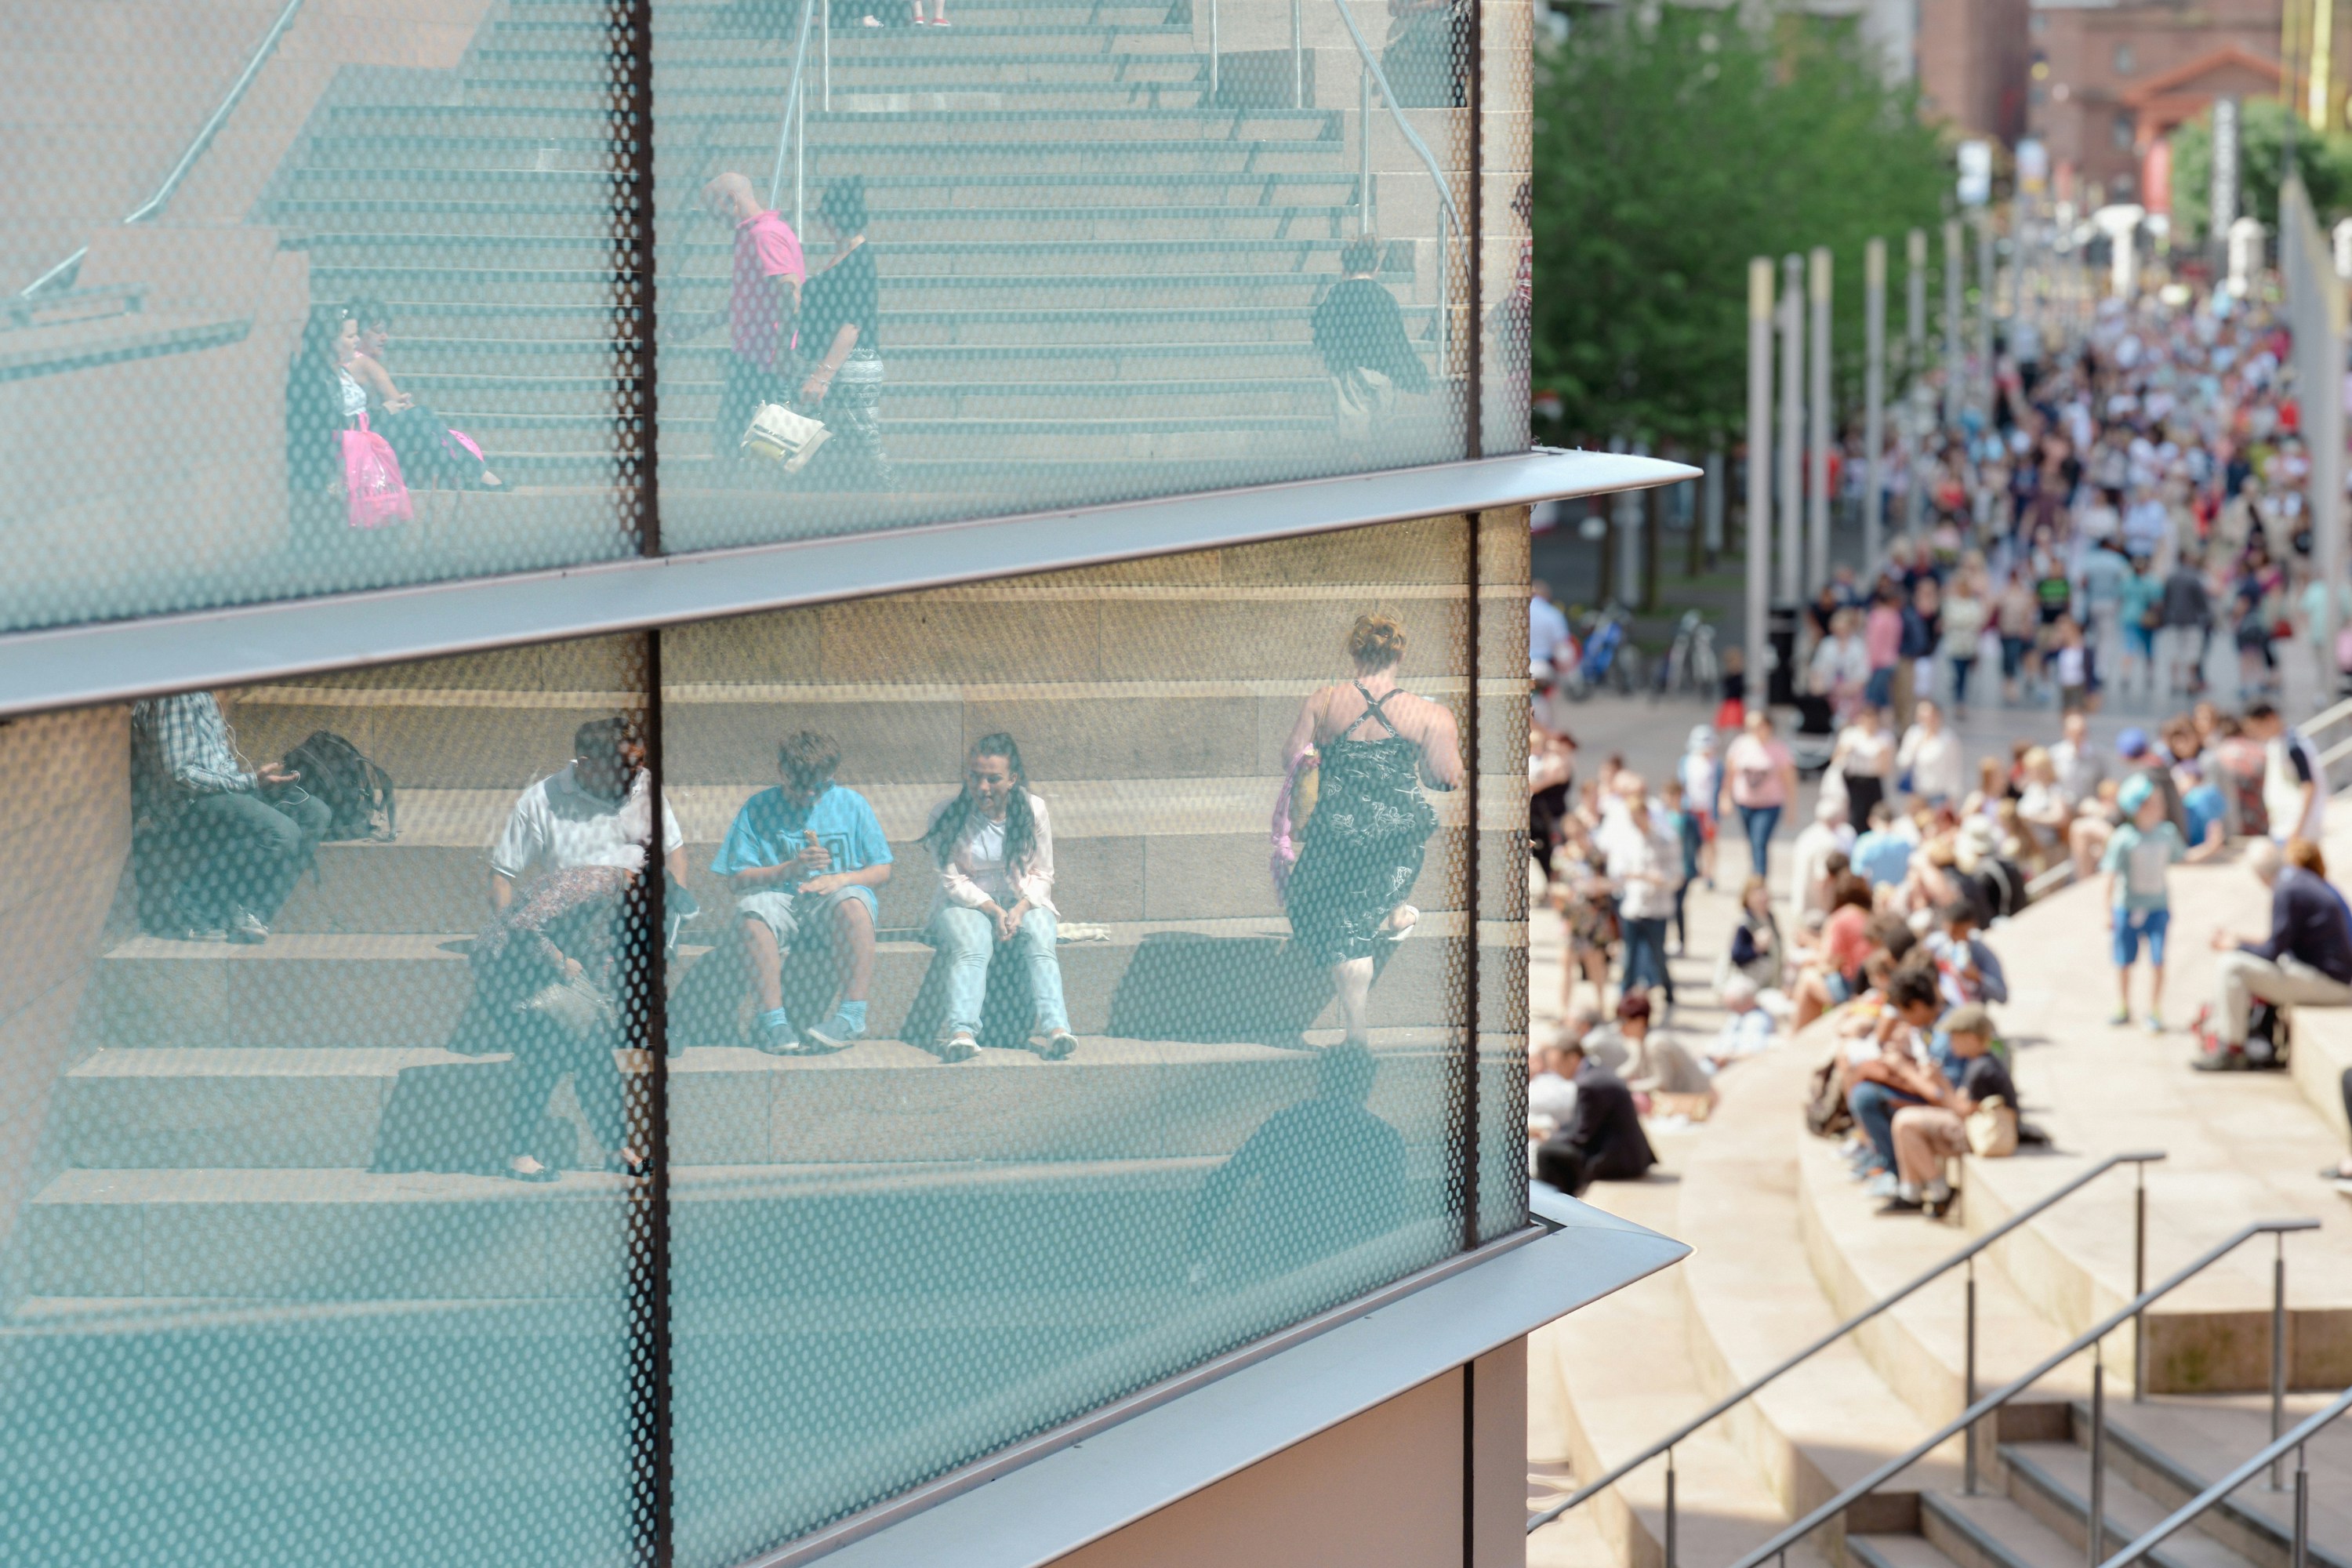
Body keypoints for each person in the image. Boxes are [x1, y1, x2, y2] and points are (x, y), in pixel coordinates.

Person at [483, 717, 684, 1182]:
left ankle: (616, 1148)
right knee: (555, 1051)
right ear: (589, 764)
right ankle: (520, 1154)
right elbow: (516, 913)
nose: (637, 776)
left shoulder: (638, 806)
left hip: (598, 958)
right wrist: (555, 963)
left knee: (590, 1051)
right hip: (552, 955)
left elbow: (673, 854)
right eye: (625, 767)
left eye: (640, 765)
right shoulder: (589, 878)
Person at [1283, 614, 1462, 1047]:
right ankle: (1358, 1038)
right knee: (1356, 924)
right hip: (1395, 839)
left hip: (1336, 834)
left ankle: (1357, 1033)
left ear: (1354, 651)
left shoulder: (1324, 701)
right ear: (1400, 654)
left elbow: (1291, 757)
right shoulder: (1428, 712)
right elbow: (1445, 778)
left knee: (1345, 922)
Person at [711, 730, 894, 1054]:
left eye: (820, 787)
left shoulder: (852, 804)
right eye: (798, 786)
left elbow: (883, 869)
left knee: (854, 903)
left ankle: (852, 1016)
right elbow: (736, 880)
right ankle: (773, 1023)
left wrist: (841, 880)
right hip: (784, 901)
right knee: (751, 913)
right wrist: (789, 869)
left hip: (836, 901)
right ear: (781, 771)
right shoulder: (758, 807)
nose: (809, 796)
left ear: (832, 775)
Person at [1184, 1042, 1406, 1286]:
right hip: (1345, 1272)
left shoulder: (1286, 1125)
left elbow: (1223, 1182)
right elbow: (1391, 1220)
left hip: (1276, 1264)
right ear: (1368, 1082)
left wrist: (1197, 1252)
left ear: (1323, 1079)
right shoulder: (1385, 1139)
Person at [129, 691, 332, 943]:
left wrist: (256, 782)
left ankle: (253, 913)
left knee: (315, 814)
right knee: (282, 833)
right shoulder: (176, 695)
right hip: (189, 807)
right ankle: (192, 899)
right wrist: (248, 782)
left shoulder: (203, 689)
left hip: (225, 792)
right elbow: (180, 773)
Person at [923, 734, 1076, 1062]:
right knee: (974, 945)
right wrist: (993, 910)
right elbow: (952, 881)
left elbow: (1044, 873)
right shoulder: (945, 814)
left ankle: (1056, 1030)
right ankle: (962, 1033)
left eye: (993, 779)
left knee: (1041, 939)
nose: (983, 787)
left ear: (1012, 779)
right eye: (975, 776)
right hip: (964, 903)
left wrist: (1021, 908)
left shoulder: (1034, 809)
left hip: (1023, 900)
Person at [2196, 837, 2352, 1070]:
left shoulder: (2286, 890)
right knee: (2242, 963)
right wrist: (2239, 940)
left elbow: (2271, 951)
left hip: (2331, 984)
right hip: (2332, 977)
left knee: (2231, 966)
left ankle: (2231, 1049)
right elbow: (2279, 942)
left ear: (2259, 874)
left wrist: (2234, 946)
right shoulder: (2297, 879)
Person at [683, 172, 804, 470]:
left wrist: (782, 353)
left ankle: (735, 493)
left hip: (761, 361)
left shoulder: (763, 236)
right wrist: (699, 327)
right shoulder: (761, 233)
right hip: (757, 357)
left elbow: (789, 291)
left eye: (713, 208)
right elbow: (749, 300)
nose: (713, 217)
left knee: (733, 441)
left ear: (730, 200)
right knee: (747, 443)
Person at [793, 177, 895, 489]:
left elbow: (852, 324)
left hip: (848, 367)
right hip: (834, 364)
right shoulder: (845, 256)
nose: (823, 224)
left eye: (825, 216)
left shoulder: (859, 260)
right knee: (837, 445)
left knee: (864, 442)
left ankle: (890, 498)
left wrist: (822, 376)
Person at [347, 297, 501, 489]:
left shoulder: (347, 362)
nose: (385, 337)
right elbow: (400, 404)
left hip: (358, 436)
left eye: (386, 331)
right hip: (361, 439)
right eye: (378, 331)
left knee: (427, 427)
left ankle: (473, 474)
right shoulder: (365, 363)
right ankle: (479, 474)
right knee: (421, 417)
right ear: (358, 333)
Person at [1880, 1003, 2019, 1217]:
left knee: (1906, 1123)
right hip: (1974, 1128)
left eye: (1955, 1036)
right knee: (1905, 1123)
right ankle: (1912, 1191)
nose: (1950, 1041)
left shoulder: (1983, 1069)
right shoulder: (1979, 1062)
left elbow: (1964, 1111)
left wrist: (1940, 1083)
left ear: (1971, 1037)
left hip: (1981, 1133)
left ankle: (1938, 1191)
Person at [1312, 234, 1432, 444]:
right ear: (1376, 269)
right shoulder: (1385, 298)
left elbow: (1322, 329)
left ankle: (1357, 457)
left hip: (1348, 370)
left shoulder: (1337, 294)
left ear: (1345, 269)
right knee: (1382, 429)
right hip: (1382, 370)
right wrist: (1414, 371)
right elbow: (1397, 339)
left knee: (1354, 432)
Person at [2101, 773, 2183, 1030]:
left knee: (2158, 960)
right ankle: (2123, 1005)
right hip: (2127, 907)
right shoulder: (2123, 838)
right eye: (2154, 802)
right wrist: (2107, 912)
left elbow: (2184, 857)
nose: (2161, 806)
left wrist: (2211, 846)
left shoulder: (2167, 832)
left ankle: (2154, 1009)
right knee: (2124, 961)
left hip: (2158, 908)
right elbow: (2110, 876)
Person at [1531, 1038, 1657, 1196]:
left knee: (1546, 1152)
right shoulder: (1595, 1071)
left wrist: (1547, 1135)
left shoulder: (1588, 1085)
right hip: (1628, 1153)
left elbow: (1581, 1137)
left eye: (1557, 1065)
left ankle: (1553, 1203)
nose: (1556, 1071)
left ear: (1572, 1059)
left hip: (1619, 1159)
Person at [1599, 771, 1678, 1006]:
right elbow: (1617, 866)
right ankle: (1625, 998)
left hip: (1657, 906)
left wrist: (1657, 878)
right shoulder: (1627, 837)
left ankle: (1667, 990)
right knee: (1630, 955)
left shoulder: (1664, 839)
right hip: (1632, 905)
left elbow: (1676, 874)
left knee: (1658, 954)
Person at [1719, 709, 1797, 880]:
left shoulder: (1779, 749)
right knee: (1752, 842)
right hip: (1745, 803)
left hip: (1769, 805)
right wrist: (1725, 796)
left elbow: (1789, 781)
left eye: (1758, 726)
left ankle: (1759, 878)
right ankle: (1756, 874)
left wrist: (1791, 808)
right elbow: (1730, 773)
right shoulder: (1740, 745)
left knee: (1759, 841)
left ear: (1768, 726)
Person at [2245, 699, 2325, 844]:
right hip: (2283, 823)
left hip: (2296, 826)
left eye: (2257, 728)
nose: (2255, 734)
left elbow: (2309, 785)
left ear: (2270, 719)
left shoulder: (2293, 745)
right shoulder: (2276, 743)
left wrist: (2298, 828)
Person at [1788, 797, 1853, 920]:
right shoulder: (1828, 843)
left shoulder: (1807, 835)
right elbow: (1822, 881)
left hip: (1801, 902)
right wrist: (1828, 912)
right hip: (1815, 909)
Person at [1829, 703, 1894, 828]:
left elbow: (1886, 769)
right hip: (1853, 781)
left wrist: (1882, 755)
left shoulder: (1884, 738)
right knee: (1855, 817)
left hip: (1873, 781)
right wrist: (1846, 751)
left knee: (1876, 816)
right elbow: (1835, 760)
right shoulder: (1850, 735)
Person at [1897, 699, 1965, 808]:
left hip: (1939, 795)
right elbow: (1902, 761)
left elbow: (1954, 769)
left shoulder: (1948, 739)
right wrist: (1915, 747)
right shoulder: (1913, 734)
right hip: (1916, 794)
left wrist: (1953, 797)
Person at [1940, 568, 1989, 719]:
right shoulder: (1951, 602)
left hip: (1969, 644)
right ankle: (1958, 698)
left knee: (1965, 674)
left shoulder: (1973, 603)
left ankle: (1961, 700)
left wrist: (1962, 622)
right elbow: (1949, 620)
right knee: (1957, 671)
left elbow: (1977, 621)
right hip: (1954, 644)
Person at [1676, 725, 1719, 890]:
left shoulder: (1716, 765)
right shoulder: (1686, 762)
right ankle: (1691, 870)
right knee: (1689, 842)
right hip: (1690, 808)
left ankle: (1709, 874)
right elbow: (1682, 785)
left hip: (1708, 810)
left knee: (1709, 843)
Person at [1850, 800, 1912, 890]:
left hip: (1874, 894)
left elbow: (1857, 872)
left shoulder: (1864, 843)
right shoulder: (1904, 842)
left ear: (1871, 820)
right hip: (1900, 894)